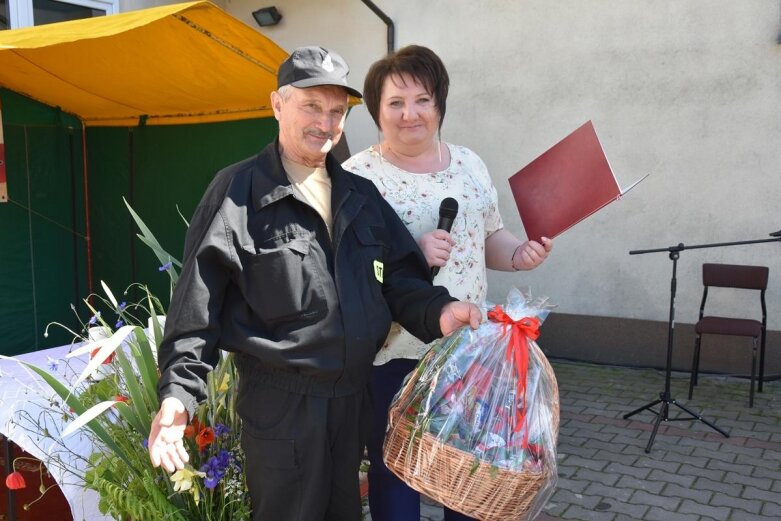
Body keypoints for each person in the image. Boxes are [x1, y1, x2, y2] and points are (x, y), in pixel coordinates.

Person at [146, 46, 482, 521]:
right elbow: (196, 306)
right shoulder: (238, 193)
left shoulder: (359, 194)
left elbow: (400, 277)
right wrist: (178, 397)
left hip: (351, 403)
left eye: (336, 111)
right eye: (311, 106)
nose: (324, 122)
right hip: (283, 410)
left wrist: (441, 311)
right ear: (277, 104)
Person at [342, 45, 554, 521]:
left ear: (440, 105)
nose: (409, 113)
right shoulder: (357, 176)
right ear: (377, 110)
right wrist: (408, 255)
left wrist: (518, 255)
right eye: (395, 102)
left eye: (422, 99)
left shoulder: (469, 164)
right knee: (395, 469)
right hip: (394, 355)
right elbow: (348, 267)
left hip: (468, 352)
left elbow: (489, 235)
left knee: (470, 471)